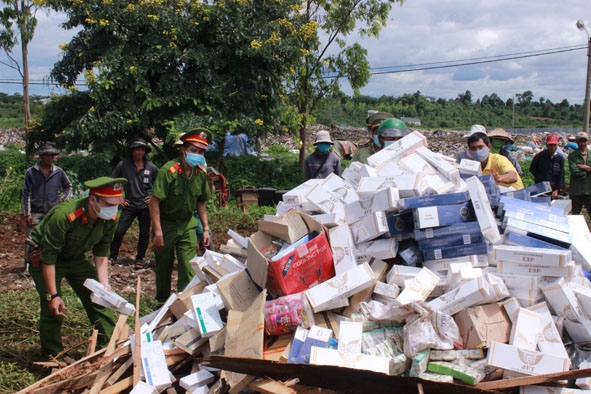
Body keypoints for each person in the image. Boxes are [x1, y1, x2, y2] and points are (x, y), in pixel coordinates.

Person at [30, 176, 127, 357]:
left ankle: (108, 347)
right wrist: (54, 295)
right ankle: (53, 356)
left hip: (75, 258)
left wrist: (104, 285)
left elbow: (101, 253)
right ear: (92, 200)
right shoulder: (63, 216)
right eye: (108, 204)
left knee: (99, 298)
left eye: (117, 204)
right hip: (46, 258)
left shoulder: (110, 218)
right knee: (53, 307)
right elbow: (48, 258)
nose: (113, 209)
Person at [149, 128, 212, 303]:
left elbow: (201, 201)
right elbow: (154, 202)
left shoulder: (200, 173)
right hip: (165, 224)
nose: (197, 155)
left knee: (188, 265)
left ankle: (184, 304)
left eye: (200, 152)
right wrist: (158, 232)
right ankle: (162, 302)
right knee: (164, 267)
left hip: (187, 225)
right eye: (193, 150)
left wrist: (205, 228)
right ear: (183, 150)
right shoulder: (168, 172)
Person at [23, 142, 72, 274]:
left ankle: (50, 264)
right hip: (36, 211)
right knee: (32, 239)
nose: (49, 158)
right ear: (41, 156)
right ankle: (29, 266)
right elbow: (26, 193)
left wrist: (64, 199)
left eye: (52, 155)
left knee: (52, 238)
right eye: (46, 155)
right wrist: (27, 213)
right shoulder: (31, 172)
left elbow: (68, 186)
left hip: (53, 212)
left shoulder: (58, 172)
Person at [109, 139, 159, 269]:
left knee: (144, 233)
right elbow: (113, 182)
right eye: (137, 149)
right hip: (129, 204)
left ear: (145, 152)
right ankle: (112, 256)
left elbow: (161, 184)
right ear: (131, 151)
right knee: (119, 231)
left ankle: (139, 259)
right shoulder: (123, 166)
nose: (139, 152)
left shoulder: (151, 167)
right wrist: (119, 198)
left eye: (142, 149)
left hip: (145, 206)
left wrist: (153, 197)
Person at [529, 134, 565, 199]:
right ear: (546, 145)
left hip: (554, 190)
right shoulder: (539, 157)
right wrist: (540, 181)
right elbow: (532, 169)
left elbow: (561, 175)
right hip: (541, 190)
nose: (553, 147)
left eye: (554, 145)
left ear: (557, 145)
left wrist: (557, 190)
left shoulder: (559, 158)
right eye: (551, 145)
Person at [568, 132, 591, 215]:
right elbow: (574, 170)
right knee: (575, 214)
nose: (582, 143)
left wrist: (583, 167)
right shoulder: (572, 156)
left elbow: (578, 169)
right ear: (577, 142)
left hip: (589, 190)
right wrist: (588, 170)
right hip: (576, 190)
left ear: (587, 142)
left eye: (584, 141)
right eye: (580, 141)